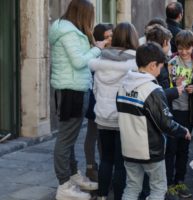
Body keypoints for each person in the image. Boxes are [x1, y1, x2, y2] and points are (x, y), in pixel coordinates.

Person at [116, 42, 191, 200]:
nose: (161, 70)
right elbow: (166, 123)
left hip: (128, 147)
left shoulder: (123, 86)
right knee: (158, 188)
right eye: (160, 67)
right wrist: (183, 131)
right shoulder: (152, 90)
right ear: (152, 65)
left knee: (131, 187)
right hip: (150, 149)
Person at [49, 0, 106, 199]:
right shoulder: (70, 33)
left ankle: (72, 176)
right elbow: (80, 61)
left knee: (69, 138)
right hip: (71, 91)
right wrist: (97, 48)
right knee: (65, 140)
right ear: (82, 14)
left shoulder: (66, 29)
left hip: (69, 89)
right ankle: (64, 186)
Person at [88, 22, 139, 200]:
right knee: (121, 163)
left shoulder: (101, 60)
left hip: (102, 116)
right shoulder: (134, 63)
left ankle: (102, 196)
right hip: (123, 119)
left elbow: (95, 90)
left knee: (106, 159)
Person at [165, 30, 193, 199]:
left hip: (188, 111)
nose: (184, 51)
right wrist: (174, 86)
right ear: (176, 46)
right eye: (181, 48)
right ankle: (169, 182)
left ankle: (180, 180)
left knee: (184, 149)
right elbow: (164, 87)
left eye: (187, 48)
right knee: (170, 148)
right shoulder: (171, 62)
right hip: (173, 110)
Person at [84, 23, 113, 182]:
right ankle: (90, 167)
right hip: (95, 97)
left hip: (107, 99)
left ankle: (104, 166)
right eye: (107, 37)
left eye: (111, 36)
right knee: (93, 132)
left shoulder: (113, 51)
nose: (110, 39)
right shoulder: (95, 52)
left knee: (104, 135)